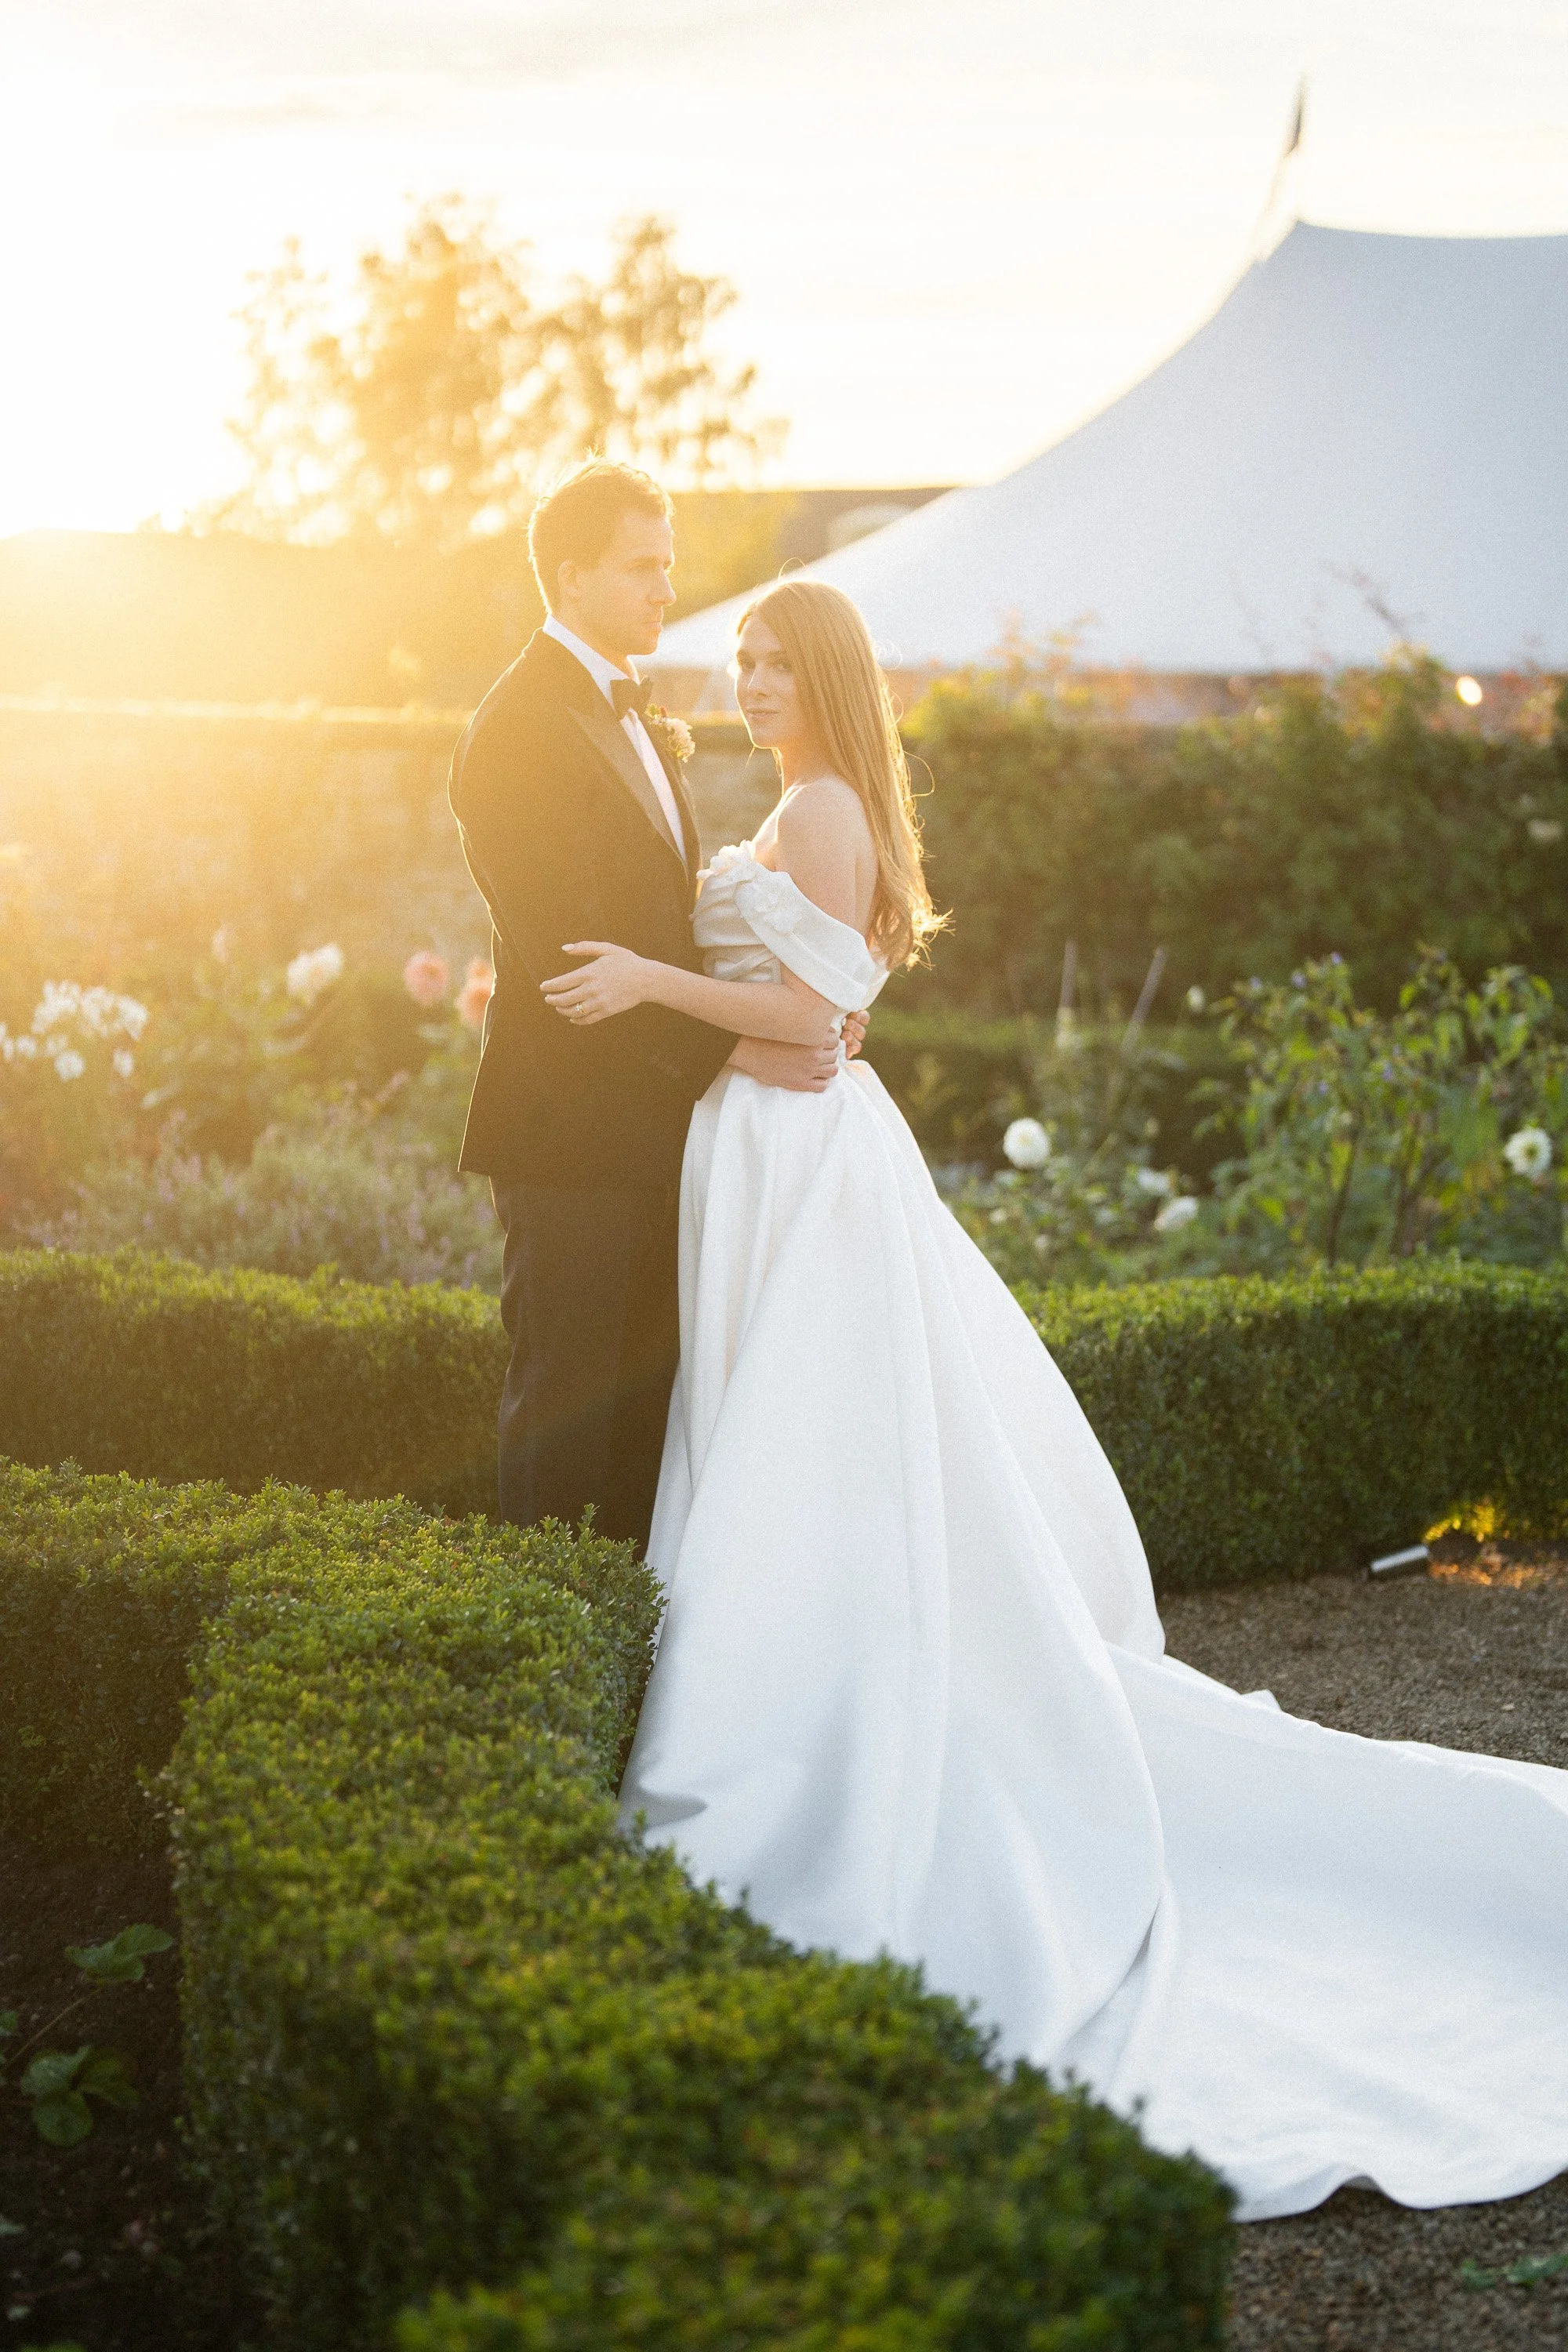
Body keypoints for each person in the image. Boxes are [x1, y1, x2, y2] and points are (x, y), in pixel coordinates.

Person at [540, 575, 1568, 2224]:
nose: (744, 681)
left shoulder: (818, 811)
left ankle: (822, 1714)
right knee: (784, 1446)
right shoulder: (799, 802)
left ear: (826, 681)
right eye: (737, 659)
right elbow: (818, 1022)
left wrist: (661, 1000)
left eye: (771, 662)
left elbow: (812, 1024)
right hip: (768, 1147)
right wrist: (730, 1036)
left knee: (822, 1457)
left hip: (805, 1171)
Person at [448, 463, 862, 1547]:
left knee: (648, 1434)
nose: (664, 591)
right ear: (571, 575)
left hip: (662, 1136)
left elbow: (669, 936)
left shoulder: (636, 709)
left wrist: (795, 1004)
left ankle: (631, 1677)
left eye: (668, 567)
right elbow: (573, 962)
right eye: (643, 569)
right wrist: (741, 1050)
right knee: (566, 1426)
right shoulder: (514, 732)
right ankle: (541, 1671)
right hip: (571, 1140)